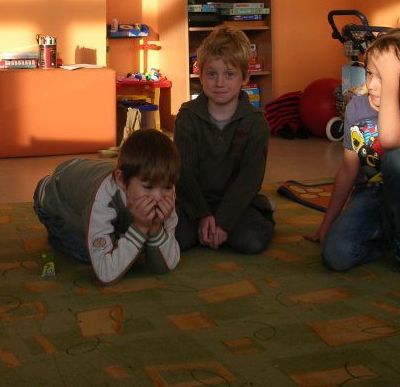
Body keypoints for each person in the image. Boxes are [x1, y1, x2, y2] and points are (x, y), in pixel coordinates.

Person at [306, 26, 400, 277]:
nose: (371, 85)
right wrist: (327, 223)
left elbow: (390, 138)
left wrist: (391, 79)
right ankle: (388, 240)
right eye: (370, 73)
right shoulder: (356, 108)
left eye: (384, 78)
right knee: (335, 256)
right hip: (369, 195)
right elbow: (348, 170)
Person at [173, 25, 274, 254]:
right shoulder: (187, 117)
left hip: (239, 204)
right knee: (172, 237)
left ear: (245, 78)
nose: (219, 83)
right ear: (200, 75)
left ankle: (219, 230)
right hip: (194, 204)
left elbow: (250, 178)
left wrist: (224, 221)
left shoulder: (256, 122)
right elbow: (184, 173)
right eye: (211, 74)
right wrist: (202, 215)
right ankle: (207, 228)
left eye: (229, 74)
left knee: (252, 240)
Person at [33, 128, 180, 284]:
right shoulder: (102, 199)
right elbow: (105, 273)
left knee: (131, 247)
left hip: (87, 176)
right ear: (121, 180)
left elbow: (166, 264)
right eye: (148, 187)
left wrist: (156, 227)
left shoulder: (165, 192)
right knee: (88, 252)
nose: (158, 198)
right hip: (56, 196)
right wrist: (141, 227)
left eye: (167, 187)